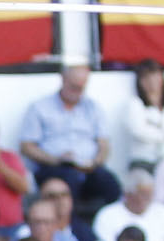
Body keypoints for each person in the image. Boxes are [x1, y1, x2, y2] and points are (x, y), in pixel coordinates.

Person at [19, 63, 121, 222]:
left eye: (81, 88)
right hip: (53, 166)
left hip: (88, 167)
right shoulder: (40, 107)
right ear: (63, 80)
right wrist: (56, 159)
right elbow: (27, 147)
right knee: (68, 181)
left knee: (110, 183)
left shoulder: (93, 108)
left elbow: (104, 145)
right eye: (74, 87)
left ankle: (111, 225)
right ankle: (70, 226)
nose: (77, 92)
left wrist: (96, 162)